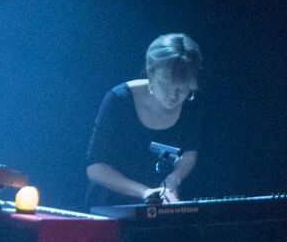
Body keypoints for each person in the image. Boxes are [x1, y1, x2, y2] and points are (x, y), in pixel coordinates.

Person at [85, 32, 202, 208]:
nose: (174, 95)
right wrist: (144, 192)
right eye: (166, 85)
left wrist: (175, 177)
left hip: (166, 207)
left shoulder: (191, 106)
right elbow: (95, 168)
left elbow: (189, 152)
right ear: (150, 70)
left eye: (183, 88)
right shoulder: (119, 100)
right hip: (110, 207)